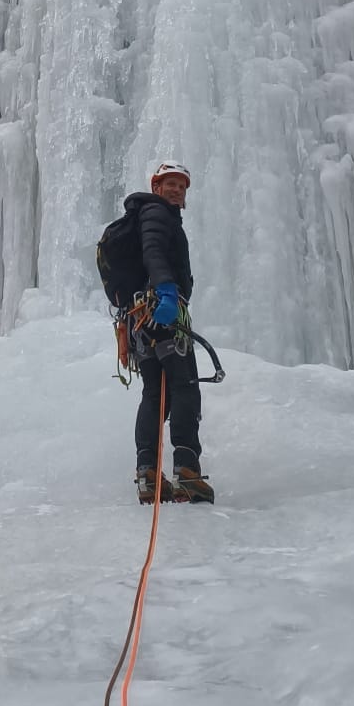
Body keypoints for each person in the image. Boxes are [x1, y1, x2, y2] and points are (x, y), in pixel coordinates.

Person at [125, 163, 214, 505]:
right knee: (184, 386)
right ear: (156, 186)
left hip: (140, 321)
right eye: (170, 184)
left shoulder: (149, 214)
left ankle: (148, 474)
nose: (176, 190)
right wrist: (165, 289)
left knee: (154, 393)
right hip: (161, 313)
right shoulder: (156, 213)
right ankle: (187, 471)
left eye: (181, 186)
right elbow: (153, 251)